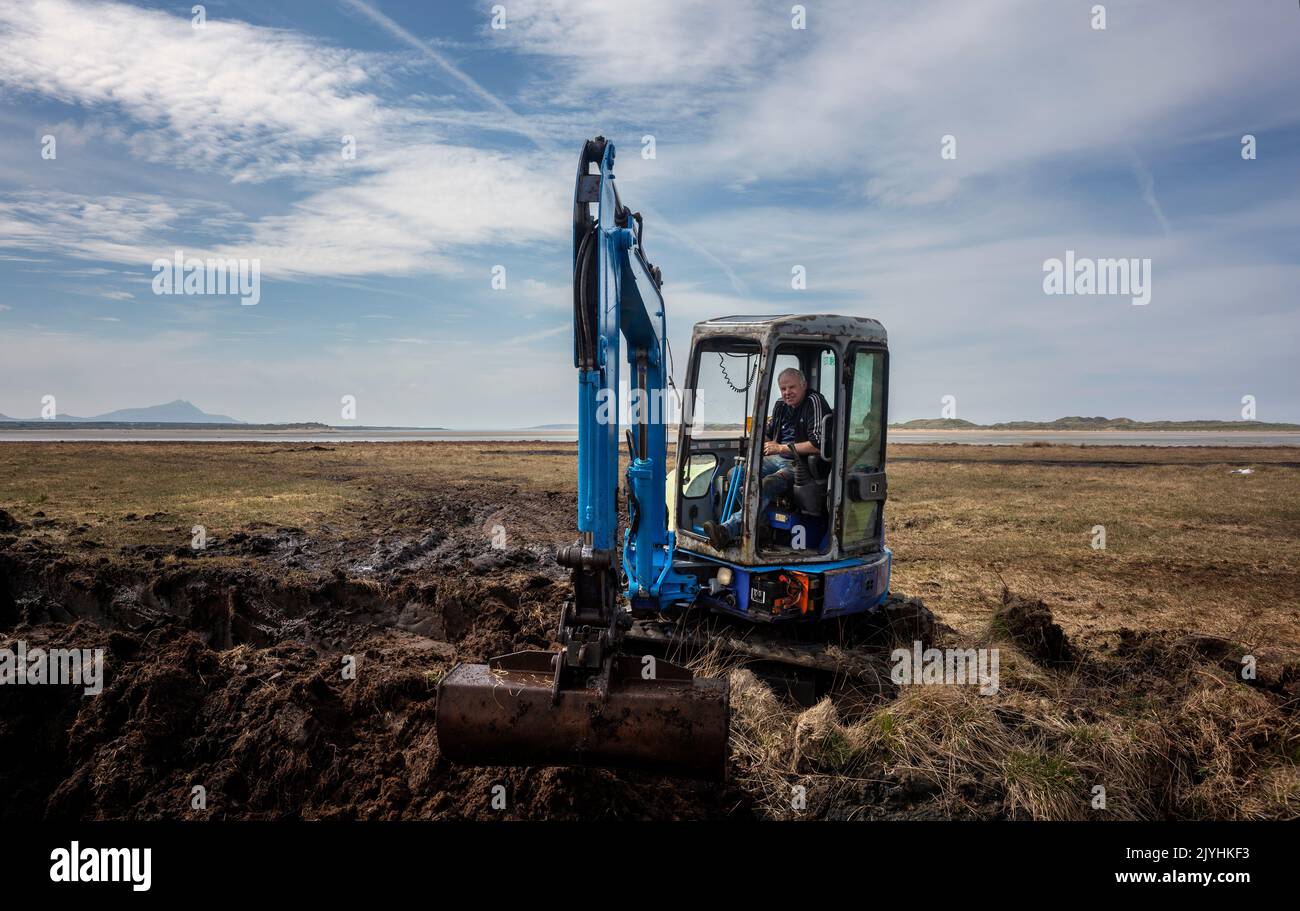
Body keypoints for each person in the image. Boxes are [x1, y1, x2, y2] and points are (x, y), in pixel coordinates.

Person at [704, 367, 831, 548]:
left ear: (804, 385)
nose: (787, 393)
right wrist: (758, 436)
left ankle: (728, 529)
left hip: (799, 464)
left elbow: (818, 445)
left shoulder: (814, 402)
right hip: (775, 458)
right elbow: (768, 434)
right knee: (735, 474)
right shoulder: (780, 405)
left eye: (792, 388)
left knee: (767, 484)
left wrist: (780, 447)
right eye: (783, 389)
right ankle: (761, 525)